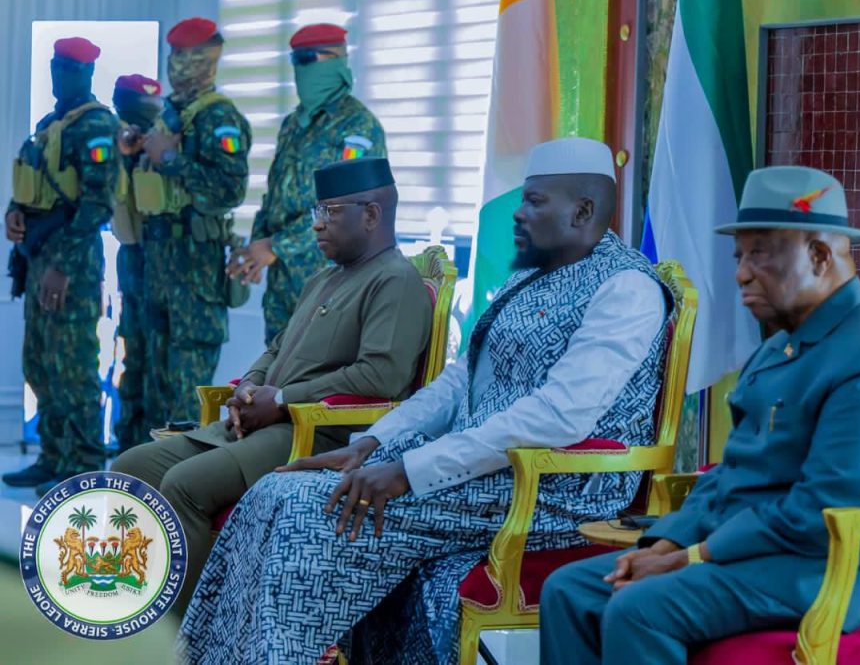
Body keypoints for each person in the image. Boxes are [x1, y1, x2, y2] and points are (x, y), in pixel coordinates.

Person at [177, 138, 674, 664]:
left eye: (534, 202)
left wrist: (410, 470)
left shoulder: (627, 290)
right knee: (277, 490)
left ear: (583, 210)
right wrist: (372, 443)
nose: (519, 215)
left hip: (554, 485)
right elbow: (458, 382)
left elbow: (558, 415)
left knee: (309, 512)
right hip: (481, 467)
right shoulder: (532, 275)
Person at [540, 166, 860, 665]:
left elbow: (826, 507)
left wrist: (695, 556)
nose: (741, 273)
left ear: (818, 255)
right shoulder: (777, 351)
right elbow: (730, 474)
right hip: (763, 554)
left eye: (761, 254)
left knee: (641, 608)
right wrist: (667, 541)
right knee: (571, 589)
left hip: (842, 565)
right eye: (739, 255)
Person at [113, 156, 432, 615]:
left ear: (372, 214)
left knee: (184, 486)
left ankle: (183, 635)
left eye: (330, 213)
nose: (317, 226)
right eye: (316, 213)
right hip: (265, 424)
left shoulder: (394, 281)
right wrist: (253, 387)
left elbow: (381, 377)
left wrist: (282, 400)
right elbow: (279, 347)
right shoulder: (326, 277)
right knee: (130, 467)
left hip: (316, 434)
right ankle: (133, 602)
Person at [3, 38, 120, 495]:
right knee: (40, 363)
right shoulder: (50, 124)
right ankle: (53, 457)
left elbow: (98, 204)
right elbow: (34, 185)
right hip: (37, 257)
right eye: (56, 65)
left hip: (71, 262)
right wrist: (14, 211)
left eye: (69, 67)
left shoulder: (96, 125)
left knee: (72, 366)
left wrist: (63, 267)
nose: (60, 73)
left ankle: (85, 464)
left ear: (87, 72)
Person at [228, 23, 387, 346]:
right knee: (273, 383)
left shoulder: (358, 126)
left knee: (316, 388)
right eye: (295, 60)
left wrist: (275, 246)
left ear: (336, 60)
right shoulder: (292, 125)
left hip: (333, 285)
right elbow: (274, 196)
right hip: (284, 287)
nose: (299, 70)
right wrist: (257, 248)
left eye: (307, 59)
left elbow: (348, 209)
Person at [134, 17, 252, 428]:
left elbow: (229, 190)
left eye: (186, 57)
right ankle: (148, 484)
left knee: (186, 396)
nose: (176, 65)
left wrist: (170, 159)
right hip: (159, 266)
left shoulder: (219, 118)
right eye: (174, 56)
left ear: (207, 61)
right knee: (156, 387)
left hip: (195, 272)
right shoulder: (169, 115)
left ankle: (182, 488)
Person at [110, 73, 164, 453]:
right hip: (132, 262)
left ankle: (154, 450)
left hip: (166, 265)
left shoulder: (167, 142)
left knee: (161, 367)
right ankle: (129, 447)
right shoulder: (116, 144)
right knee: (134, 358)